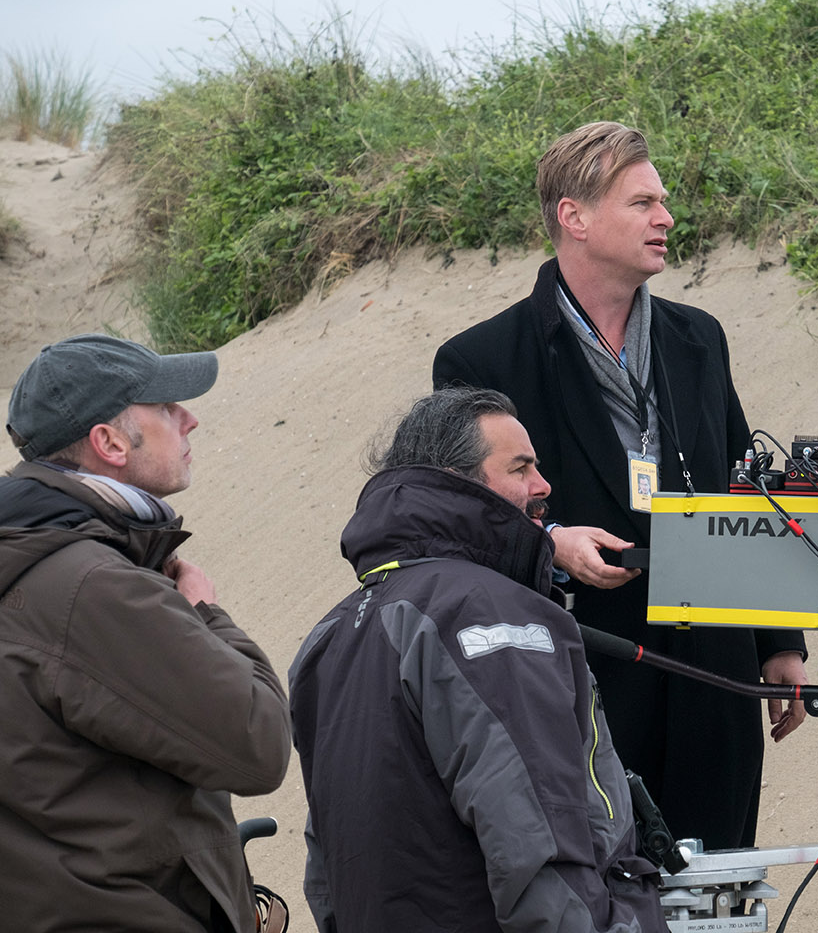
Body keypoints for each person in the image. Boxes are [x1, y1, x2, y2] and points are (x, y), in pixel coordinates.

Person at [433, 121, 807, 850]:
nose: (665, 218)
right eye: (642, 203)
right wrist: (548, 542)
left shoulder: (699, 338)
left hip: (715, 673)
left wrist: (778, 639)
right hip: (579, 676)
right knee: (598, 887)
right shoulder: (482, 360)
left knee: (720, 887)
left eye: (661, 201)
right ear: (574, 217)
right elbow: (456, 517)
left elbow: (743, 487)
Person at [288, 387, 667, 933]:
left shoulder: (330, 635)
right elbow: (538, 846)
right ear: (456, 480)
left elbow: (326, 869)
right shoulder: (488, 613)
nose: (543, 485)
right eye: (520, 468)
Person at [0, 334, 292, 933]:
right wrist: (206, 612)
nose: (189, 419)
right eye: (164, 407)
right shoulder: (91, 588)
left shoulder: (29, 553)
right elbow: (259, 745)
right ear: (109, 443)